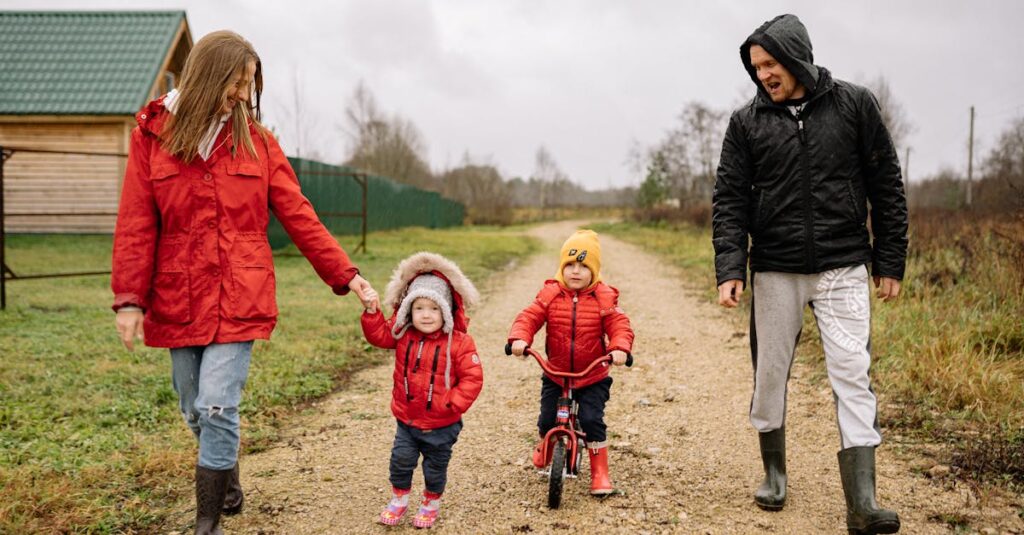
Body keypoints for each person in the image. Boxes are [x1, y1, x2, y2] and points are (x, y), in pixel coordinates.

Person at [110, 31, 377, 535]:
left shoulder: (257, 143)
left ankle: (207, 520)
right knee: (193, 405)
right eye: (236, 82)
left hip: (241, 292)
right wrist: (129, 298)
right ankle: (225, 472)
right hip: (178, 293)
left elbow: (300, 215)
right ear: (209, 76)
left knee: (216, 403)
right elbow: (136, 221)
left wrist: (349, 276)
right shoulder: (152, 136)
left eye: (248, 84)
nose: (242, 94)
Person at [712, 13, 908, 535]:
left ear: (796, 56)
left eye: (770, 64)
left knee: (852, 372)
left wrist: (890, 258)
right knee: (770, 376)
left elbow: (886, 183)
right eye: (756, 68)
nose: (763, 76)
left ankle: (862, 503)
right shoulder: (745, 123)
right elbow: (729, 199)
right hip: (775, 267)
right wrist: (730, 266)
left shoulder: (854, 104)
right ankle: (774, 473)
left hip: (844, 264)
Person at [360, 252, 483, 529]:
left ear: (446, 311)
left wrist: (452, 403)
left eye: (434, 308)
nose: (426, 315)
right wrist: (371, 312)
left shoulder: (460, 343)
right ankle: (399, 498)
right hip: (407, 419)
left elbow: (473, 378)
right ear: (408, 311)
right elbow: (380, 335)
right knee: (400, 461)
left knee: (434, 467)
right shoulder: (404, 334)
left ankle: (431, 502)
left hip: (442, 423)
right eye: (419, 308)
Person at [507, 229, 634, 495]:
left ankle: (600, 473)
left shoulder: (604, 297)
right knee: (546, 420)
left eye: (583, 266)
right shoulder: (550, 294)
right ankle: (547, 445)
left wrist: (620, 347)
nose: (575, 272)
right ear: (561, 268)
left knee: (591, 420)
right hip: (556, 372)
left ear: (594, 271)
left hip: (592, 375)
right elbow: (528, 317)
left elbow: (620, 325)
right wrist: (519, 338)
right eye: (570, 265)